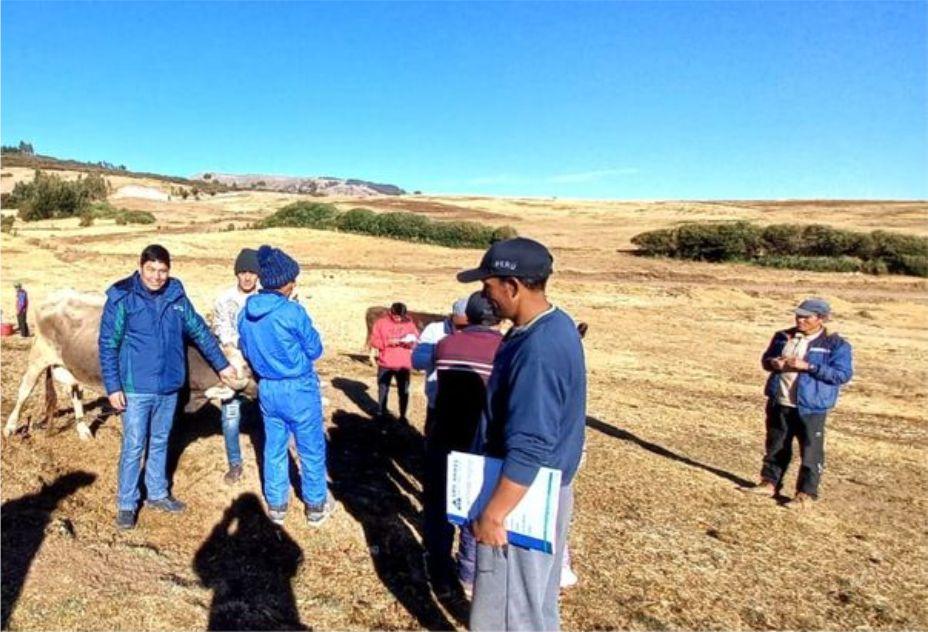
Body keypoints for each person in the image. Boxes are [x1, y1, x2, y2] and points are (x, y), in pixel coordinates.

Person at [457, 237, 586, 631]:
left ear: (512, 287)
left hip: (520, 498)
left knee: (513, 610)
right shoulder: (551, 325)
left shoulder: (538, 350)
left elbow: (530, 443)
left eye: (488, 286)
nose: (484, 296)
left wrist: (495, 513)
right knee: (533, 602)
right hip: (536, 489)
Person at [99, 244, 238, 530]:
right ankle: (127, 502)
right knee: (134, 445)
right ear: (140, 268)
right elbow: (108, 344)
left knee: (161, 440)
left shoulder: (176, 295)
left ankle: (157, 493)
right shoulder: (122, 296)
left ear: (169, 271)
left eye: (163, 271)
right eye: (151, 270)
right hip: (136, 387)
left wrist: (222, 365)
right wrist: (113, 386)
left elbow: (199, 331)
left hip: (169, 385)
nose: (157, 277)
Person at [237, 245, 334, 527]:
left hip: (267, 387)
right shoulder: (293, 312)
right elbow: (315, 349)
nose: (295, 284)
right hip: (298, 388)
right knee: (310, 447)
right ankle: (315, 505)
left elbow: (246, 348)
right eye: (293, 279)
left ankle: (277, 505)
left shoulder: (245, 314)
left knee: (274, 446)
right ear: (284, 281)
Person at [422, 291, 502, 599]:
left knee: (439, 503)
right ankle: (471, 572)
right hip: (480, 438)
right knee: (476, 503)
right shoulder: (505, 349)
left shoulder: (445, 345)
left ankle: (437, 565)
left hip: (444, 432)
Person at [741, 297, 853, 509]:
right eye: (798, 315)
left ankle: (805, 494)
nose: (800, 320)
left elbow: (842, 375)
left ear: (820, 319)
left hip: (811, 406)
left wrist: (808, 366)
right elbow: (766, 360)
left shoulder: (836, 344)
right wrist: (773, 363)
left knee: (810, 451)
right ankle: (769, 483)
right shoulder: (783, 337)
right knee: (776, 445)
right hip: (780, 400)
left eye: (806, 317)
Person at [212, 248, 261, 484]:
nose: (247, 277)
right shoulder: (224, 299)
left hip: (262, 365)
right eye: (243, 272)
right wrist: (233, 346)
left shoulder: (265, 298)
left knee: (269, 411)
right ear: (236, 274)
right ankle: (235, 463)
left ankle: (271, 458)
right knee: (230, 414)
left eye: (252, 272)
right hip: (235, 363)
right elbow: (220, 328)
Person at [411, 297, 469, 434]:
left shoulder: (478, 333)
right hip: (437, 398)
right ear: (452, 317)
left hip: (468, 402)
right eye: (460, 325)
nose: (463, 330)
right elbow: (418, 362)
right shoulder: (434, 330)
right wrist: (444, 351)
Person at [368, 302, 419, 422]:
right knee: (383, 389)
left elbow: (417, 339)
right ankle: (381, 412)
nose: (399, 319)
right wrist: (387, 343)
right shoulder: (381, 323)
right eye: (396, 316)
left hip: (403, 364)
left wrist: (409, 342)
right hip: (386, 363)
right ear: (391, 312)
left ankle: (402, 415)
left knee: (404, 391)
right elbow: (374, 341)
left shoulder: (409, 323)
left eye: (401, 316)